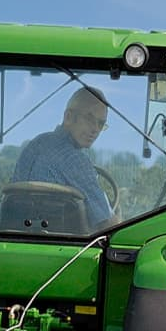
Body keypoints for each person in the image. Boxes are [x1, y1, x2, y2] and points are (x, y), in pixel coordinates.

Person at [10, 86, 115, 226]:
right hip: (66, 243)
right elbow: (106, 222)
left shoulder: (35, 144)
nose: (95, 129)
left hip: (14, 233)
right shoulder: (76, 160)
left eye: (100, 123)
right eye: (89, 119)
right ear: (68, 117)